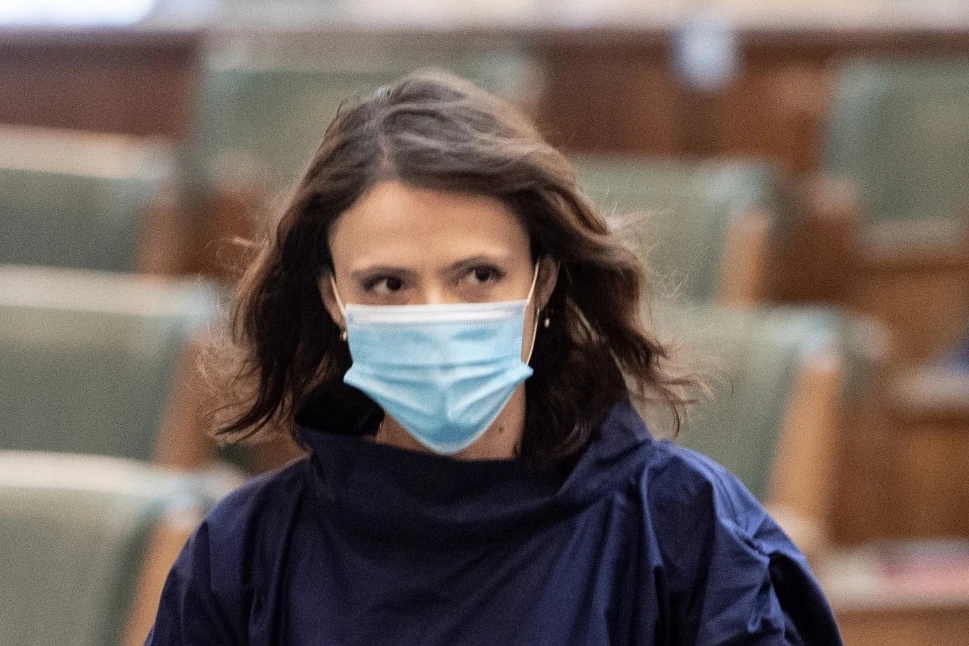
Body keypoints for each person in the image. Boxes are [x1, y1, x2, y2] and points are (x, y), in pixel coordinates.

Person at [147, 70, 843, 645]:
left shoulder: (687, 533)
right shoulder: (243, 556)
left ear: (542, 282)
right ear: (334, 301)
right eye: (387, 285)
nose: (435, 317)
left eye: (478, 276)